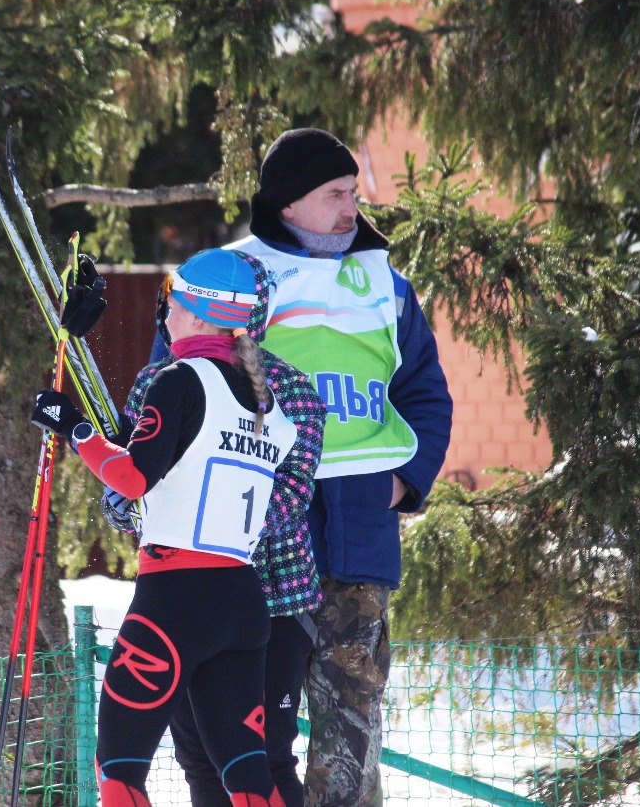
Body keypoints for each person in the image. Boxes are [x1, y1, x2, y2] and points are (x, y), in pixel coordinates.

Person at [30, 248, 305, 807]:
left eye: (170, 303)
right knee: (248, 775)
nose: (164, 317)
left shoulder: (179, 380)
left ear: (202, 315)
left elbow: (132, 478)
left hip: (176, 601)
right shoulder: (269, 402)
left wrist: (74, 428)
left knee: (121, 767)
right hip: (242, 605)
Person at [228, 128, 454, 807]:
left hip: (358, 537)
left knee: (349, 735)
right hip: (258, 543)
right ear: (288, 203)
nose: (350, 208)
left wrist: (405, 480)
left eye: (352, 193)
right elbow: (182, 378)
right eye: (333, 195)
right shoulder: (232, 275)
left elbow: (426, 392)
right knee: (252, 728)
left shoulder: (385, 282)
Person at [104, 251, 326, 807]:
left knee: (267, 757)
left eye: (173, 302)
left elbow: (290, 499)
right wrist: (144, 501)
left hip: (273, 599)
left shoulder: (290, 390)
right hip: (183, 597)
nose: (164, 314)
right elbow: (122, 493)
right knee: (201, 762)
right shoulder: (158, 378)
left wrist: (208, 513)